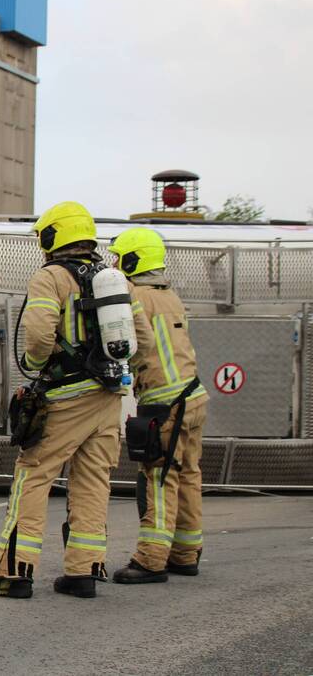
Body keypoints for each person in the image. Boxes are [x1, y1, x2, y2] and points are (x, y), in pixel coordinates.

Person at [0, 201, 153, 600]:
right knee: (92, 482)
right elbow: (146, 341)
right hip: (108, 399)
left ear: (54, 237)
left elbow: (37, 338)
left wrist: (36, 365)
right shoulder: (115, 279)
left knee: (32, 477)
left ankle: (13, 573)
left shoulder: (51, 278)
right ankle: (83, 572)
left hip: (65, 397)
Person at [108, 227, 208, 583]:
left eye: (119, 258)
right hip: (193, 397)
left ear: (134, 259)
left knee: (159, 477)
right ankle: (184, 555)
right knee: (188, 476)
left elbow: (124, 343)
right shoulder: (169, 294)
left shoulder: (135, 295)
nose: (115, 264)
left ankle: (151, 560)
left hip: (165, 402)